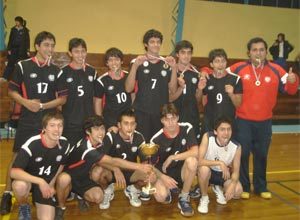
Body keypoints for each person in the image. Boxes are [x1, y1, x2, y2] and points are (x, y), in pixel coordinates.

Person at [0, 31, 67, 215]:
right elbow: (12, 91)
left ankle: (43, 191)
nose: (50, 49)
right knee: (16, 157)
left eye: (52, 45)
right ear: (37, 46)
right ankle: (6, 193)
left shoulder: (56, 70)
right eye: (46, 45)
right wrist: (26, 103)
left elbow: (62, 99)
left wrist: (43, 105)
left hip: (48, 123)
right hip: (28, 121)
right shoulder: (23, 66)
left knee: (49, 157)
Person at [227, 37, 299, 199]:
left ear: (266, 52)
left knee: (261, 155)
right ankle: (244, 186)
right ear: (249, 53)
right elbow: (219, 71)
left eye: (261, 50)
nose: (258, 53)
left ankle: (261, 186)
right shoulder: (238, 68)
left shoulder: (276, 70)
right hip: (243, 121)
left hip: (265, 122)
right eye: (254, 50)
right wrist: (204, 71)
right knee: (243, 154)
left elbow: (291, 90)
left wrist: (293, 81)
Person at [54, 115, 152, 220]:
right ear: (88, 132)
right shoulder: (86, 148)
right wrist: (139, 166)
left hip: (85, 177)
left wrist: (113, 129)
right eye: (96, 129)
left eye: (102, 129)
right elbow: (113, 160)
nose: (100, 133)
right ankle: (61, 207)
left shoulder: (100, 142)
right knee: (64, 179)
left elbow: (103, 159)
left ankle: (80, 196)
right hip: (71, 177)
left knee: (98, 197)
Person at [10, 110, 70, 220]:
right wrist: (40, 181)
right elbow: (13, 172)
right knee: (19, 186)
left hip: (46, 184)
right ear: (44, 128)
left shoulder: (65, 143)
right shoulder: (32, 143)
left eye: (60, 125)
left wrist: (51, 184)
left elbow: (62, 165)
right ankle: (24, 206)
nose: (57, 130)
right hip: (29, 181)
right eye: (52, 125)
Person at [125, 29, 178, 142]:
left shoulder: (167, 64)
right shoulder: (137, 62)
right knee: (142, 145)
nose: (156, 44)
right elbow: (128, 88)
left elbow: (173, 90)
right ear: (146, 44)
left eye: (158, 42)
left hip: (161, 113)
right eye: (152, 42)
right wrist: (134, 67)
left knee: (158, 145)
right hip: (142, 112)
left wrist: (174, 68)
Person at [149, 103, 198, 217]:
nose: (170, 122)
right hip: (165, 173)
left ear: (178, 118)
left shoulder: (187, 128)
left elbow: (196, 152)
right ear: (162, 120)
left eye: (173, 118)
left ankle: (184, 197)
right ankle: (170, 189)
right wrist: (162, 177)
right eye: (167, 119)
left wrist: (173, 157)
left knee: (192, 161)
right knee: (161, 197)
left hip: (182, 171)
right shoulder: (155, 139)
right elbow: (151, 166)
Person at [96, 108, 148, 209]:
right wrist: (115, 169)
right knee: (97, 172)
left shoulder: (139, 137)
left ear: (136, 125)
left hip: (131, 172)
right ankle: (107, 190)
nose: (129, 127)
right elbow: (99, 160)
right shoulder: (111, 136)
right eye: (126, 123)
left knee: (149, 174)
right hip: (112, 172)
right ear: (119, 125)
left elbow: (144, 162)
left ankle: (133, 189)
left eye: (132, 124)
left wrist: (145, 172)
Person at [197, 117, 243, 214]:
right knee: (203, 170)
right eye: (222, 129)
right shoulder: (207, 137)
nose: (226, 133)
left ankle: (217, 187)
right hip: (209, 172)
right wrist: (220, 163)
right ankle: (204, 197)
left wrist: (233, 184)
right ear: (215, 131)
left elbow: (236, 172)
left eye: (229, 129)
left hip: (223, 175)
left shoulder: (236, 147)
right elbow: (199, 161)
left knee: (238, 191)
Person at [59, 38, 97, 146]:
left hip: (89, 123)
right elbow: (59, 101)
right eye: (76, 51)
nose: (80, 55)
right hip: (70, 123)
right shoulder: (63, 72)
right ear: (70, 53)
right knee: (70, 155)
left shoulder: (92, 71)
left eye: (83, 51)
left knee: (89, 155)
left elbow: (96, 98)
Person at [169, 40, 205, 143]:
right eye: (183, 52)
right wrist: (180, 88)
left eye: (189, 53)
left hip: (192, 116)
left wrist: (200, 89)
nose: (186, 56)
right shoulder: (171, 71)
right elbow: (169, 98)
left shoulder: (196, 73)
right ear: (177, 54)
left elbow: (198, 101)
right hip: (174, 117)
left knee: (192, 148)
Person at [201, 48, 243, 135]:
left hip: (228, 123)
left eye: (223, 61)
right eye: (217, 61)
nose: (220, 64)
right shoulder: (207, 79)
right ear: (211, 64)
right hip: (210, 122)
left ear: (226, 63)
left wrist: (231, 94)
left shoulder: (235, 79)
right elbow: (204, 100)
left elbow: (238, 104)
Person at [94, 47, 132, 133]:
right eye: (110, 60)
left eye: (117, 59)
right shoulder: (102, 81)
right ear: (107, 63)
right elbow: (97, 103)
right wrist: (102, 123)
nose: (114, 63)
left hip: (127, 121)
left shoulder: (129, 77)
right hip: (110, 122)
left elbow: (133, 96)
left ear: (121, 61)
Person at [1, 16, 30, 81]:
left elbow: (27, 40)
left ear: (20, 22)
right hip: (13, 49)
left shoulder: (25, 30)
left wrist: (27, 50)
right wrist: (9, 49)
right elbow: (10, 39)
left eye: (17, 21)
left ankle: (22, 80)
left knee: (21, 65)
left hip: (22, 50)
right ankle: (4, 77)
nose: (16, 22)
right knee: (10, 64)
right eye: (15, 21)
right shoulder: (13, 29)